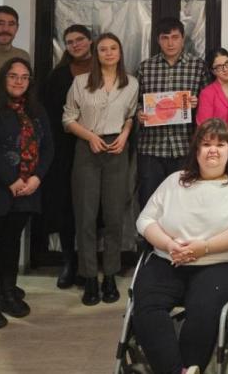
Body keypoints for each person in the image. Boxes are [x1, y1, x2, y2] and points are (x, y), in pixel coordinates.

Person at [132, 119, 228, 374]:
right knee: (146, 305)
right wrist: (169, 244)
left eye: (220, 144)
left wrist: (204, 247)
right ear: (196, 151)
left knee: (203, 309)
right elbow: (145, 220)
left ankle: (184, 366)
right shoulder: (174, 181)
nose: (212, 150)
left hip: (218, 263)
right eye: (205, 144)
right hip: (168, 259)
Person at [0, 58, 52, 329]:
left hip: (27, 189)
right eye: (13, 76)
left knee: (10, 242)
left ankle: (6, 291)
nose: (19, 81)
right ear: (3, 78)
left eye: (24, 77)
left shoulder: (36, 110)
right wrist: (11, 179)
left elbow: (48, 147)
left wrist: (37, 177)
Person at [63, 33, 137, 306]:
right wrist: (90, 137)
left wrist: (125, 134)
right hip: (87, 148)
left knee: (115, 216)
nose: (108, 53)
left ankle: (110, 275)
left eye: (113, 48)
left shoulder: (131, 83)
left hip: (117, 149)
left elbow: (131, 115)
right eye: (103, 49)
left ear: (120, 52)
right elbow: (68, 118)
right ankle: (90, 277)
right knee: (86, 216)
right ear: (96, 53)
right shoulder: (81, 82)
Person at [38, 24, 93, 289]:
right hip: (63, 149)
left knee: (92, 206)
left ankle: (88, 263)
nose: (75, 45)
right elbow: (48, 115)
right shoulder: (58, 76)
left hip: (96, 147)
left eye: (80, 39)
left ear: (90, 40)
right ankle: (69, 261)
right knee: (65, 205)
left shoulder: (105, 70)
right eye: (70, 42)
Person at [135, 18, 207, 209]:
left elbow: (208, 102)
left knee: (183, 202)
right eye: (165, 38)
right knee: (149, 202)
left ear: (183, 38)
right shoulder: (145, 67)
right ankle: (150, 231)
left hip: (184, 146)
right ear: (158, 40)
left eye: (175, 37)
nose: (170, 43)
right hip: (151, 147)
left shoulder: (198, 66)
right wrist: (139, 113)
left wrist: (198, 103)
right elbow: (134, 102)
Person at [197, 48, 228, 127]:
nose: (225, 69)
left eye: (227, 63)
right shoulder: (207, 93)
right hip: (217, 135)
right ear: (213, 71)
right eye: (219, 67)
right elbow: (204, 126)